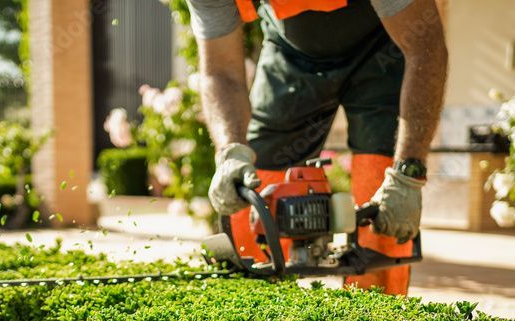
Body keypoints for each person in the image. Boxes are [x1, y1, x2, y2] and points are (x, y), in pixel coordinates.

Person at [188, 0, 447, 294]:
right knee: (252, 195)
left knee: (383, 211)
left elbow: (425, 45)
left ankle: (376, 313)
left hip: (385, 47)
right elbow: (220, 71)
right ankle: (254, 302)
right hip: (291, 51)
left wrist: (408, 171)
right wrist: (230, 151)